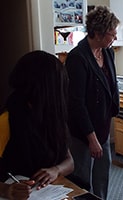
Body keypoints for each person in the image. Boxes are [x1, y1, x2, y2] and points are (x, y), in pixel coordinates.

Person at [0, 50, 74, 199]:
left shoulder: (53, 116)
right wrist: (6, 190)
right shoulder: (6, 120)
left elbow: (70, 161)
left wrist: (56, 170)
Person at [65, 5, 120, 199]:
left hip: (103, 127)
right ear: (97, 33)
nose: (115, 39)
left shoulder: (108, 53)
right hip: (83, 133)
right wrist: (92, 139)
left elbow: (111, 86)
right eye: (112, 35)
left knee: (102, 176)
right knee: (82, 179)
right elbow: (76, 103)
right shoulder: (77, 58)